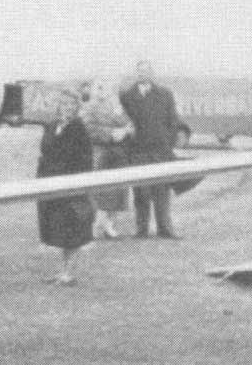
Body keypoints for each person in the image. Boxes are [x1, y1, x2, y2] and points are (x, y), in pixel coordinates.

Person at [119, 60, 185, 239]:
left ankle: (165, 229)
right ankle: (141, 230)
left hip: (160, 151)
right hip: (138, 151)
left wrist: (168, 143)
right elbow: (122, 121)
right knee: (141, 192)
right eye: (139, 71)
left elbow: (173, 120)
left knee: (162, 191)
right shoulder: (127, 96)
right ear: (136, 73)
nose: (143, 74)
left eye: (146, 71)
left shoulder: (165, 94)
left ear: (152, 73)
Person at [35, 90, 94, 286]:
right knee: (57, 230)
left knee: (73, 230)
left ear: (77, 107)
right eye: (64, 104)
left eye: (72, 104)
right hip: (50, 183)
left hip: (71, 186)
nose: (68, 108)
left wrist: (77, 184)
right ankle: (61, 271)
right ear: (58, 106)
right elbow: (45, 152)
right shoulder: (52, 126)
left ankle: (68, 274)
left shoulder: (79, 128)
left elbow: (85, 160)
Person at [79, 80, 133, 239]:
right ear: (93, 89)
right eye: (99, 87)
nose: (102, 90)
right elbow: (87, 129)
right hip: (99, 153)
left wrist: (125, 131)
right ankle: (93, 226)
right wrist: (111, 134)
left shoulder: (117, 106)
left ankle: (109, 225)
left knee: (118, 190)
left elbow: (128, 123)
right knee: (98, 190)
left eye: (105, 86)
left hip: (118, 154)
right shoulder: (88, 107)